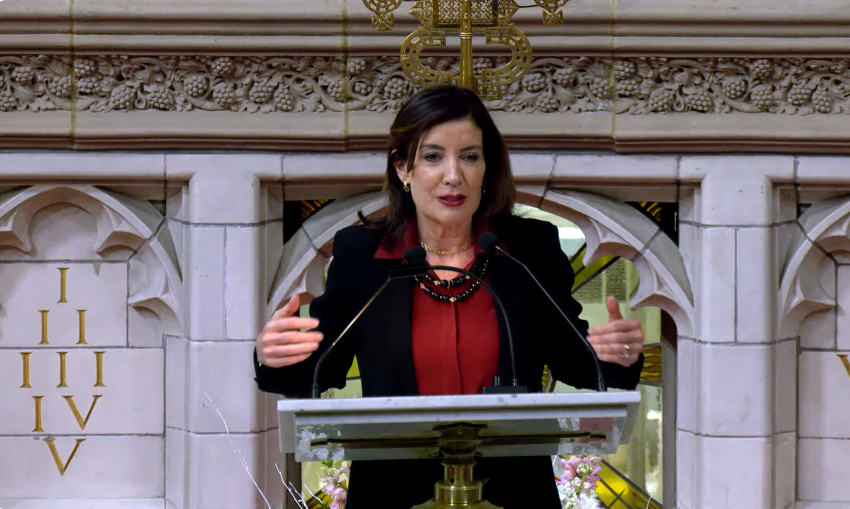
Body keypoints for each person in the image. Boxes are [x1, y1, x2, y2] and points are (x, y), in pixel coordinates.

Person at [254, 85, 645, 508]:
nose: (453, 175)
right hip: (392, 495)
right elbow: (317, 370)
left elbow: (576, 360)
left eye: (470, 157)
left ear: (486, 168)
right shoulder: (362, 256)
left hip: (513, 493)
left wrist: (616, 355)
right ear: (403, 168)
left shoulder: (528, 249)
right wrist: (275, 356)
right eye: (433, 156)